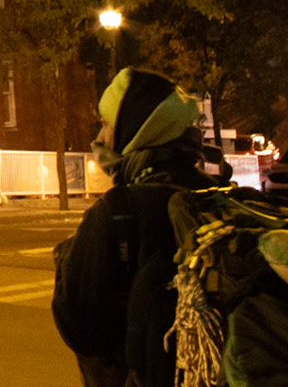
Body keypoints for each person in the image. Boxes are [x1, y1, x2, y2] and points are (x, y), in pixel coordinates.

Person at [52, 67, 227, 387]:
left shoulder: (117, 211)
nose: (99, 138)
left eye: (107, 124)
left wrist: (66, 261)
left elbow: (80, 327)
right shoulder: (217, 195)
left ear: (136, 131)